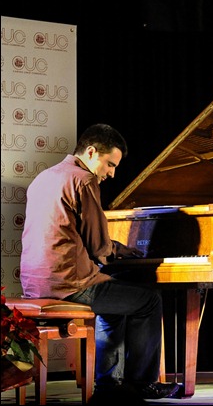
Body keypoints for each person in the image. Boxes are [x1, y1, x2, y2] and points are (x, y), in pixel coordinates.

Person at [20, 124, 180, 400]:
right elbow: (98, 246)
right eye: (109, 164)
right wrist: (121, 252)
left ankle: (109, 386)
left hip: (35, 283)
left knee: (115, 305)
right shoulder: (83, 179)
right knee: (149, 301)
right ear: (91, 151)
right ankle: (142, 383)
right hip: (68, 283)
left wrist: (113, 252)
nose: (111, 173)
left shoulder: (44, 177)